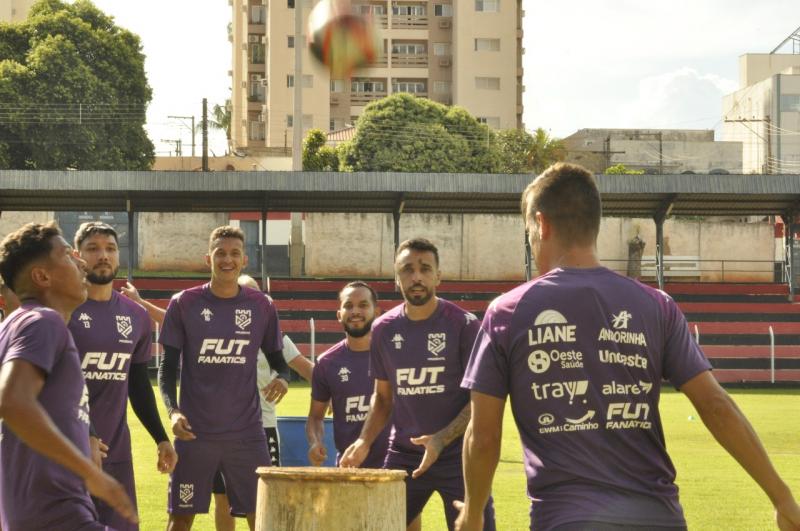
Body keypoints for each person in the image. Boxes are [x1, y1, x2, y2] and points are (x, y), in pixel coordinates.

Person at [456, 162, 800, 531]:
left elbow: (485, 434)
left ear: (542, 225)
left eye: (529, 233)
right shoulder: (656, 305)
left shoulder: (508, 311)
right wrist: (783, 499)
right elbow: (715, 405)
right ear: (595, 224)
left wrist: (473, 513)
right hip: (658, 517)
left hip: (569, 519)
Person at [340, 238, 495, 531]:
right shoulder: (383, 330)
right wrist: (364, 440)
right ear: (397, 279)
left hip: (459, 457)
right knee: (377, 525)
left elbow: (481, 399)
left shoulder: (463, 325)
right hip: (404, 456)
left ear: (438, 275)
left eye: (425, 269)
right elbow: (383, 399)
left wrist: (441, 438)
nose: (417, 276)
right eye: (408, 270)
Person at [0, 222, 137, 530]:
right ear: (42, 276)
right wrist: (92, 475)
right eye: (66, 254)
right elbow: (12, 401)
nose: (80, 261)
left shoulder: (16, 324)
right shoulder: (43, 321)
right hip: (57, 515)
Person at [158, 226, 291, 531]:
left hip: (246, 435)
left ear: (244, 260)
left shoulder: (262, 306)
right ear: (209, 258)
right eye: (220, 253)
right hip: (194, 435)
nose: (227, 260)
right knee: (180, 517)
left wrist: (282, 379)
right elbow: (166, 369)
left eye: (234, 254)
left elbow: (280, 364)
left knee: (262, 515)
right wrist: (173, 410)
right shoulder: (183, 303)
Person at [68, 222, 178, 531]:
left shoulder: (136, 316)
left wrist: (160, 437)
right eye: (93, 249)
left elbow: (138, 384)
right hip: (67, 451)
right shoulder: (62, 311)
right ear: (78, 256)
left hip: (116, 452)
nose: (103, 255)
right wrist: (83, 433)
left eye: (110, 249)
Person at [306, 281, 391, 467]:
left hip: (394, 466)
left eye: (363, 305)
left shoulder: (394, 355)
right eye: (348, 306)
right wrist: (315, 441)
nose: (355, 312)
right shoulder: (327, 363)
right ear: (339, 315)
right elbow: (315, 417)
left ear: (377, 312)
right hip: (349, 467)